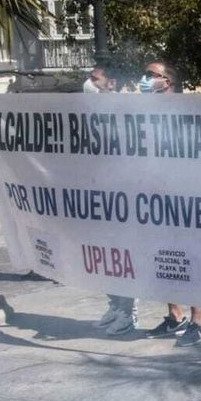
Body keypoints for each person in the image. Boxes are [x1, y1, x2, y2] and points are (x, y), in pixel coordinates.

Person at [138, 62, 201, 346]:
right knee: (161, 258)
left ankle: (198, 321)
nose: (144, 80)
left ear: (166, 81)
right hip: (156, 195)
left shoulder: (186, 109)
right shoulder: (143, 111)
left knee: (192, 259)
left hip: (187, 195)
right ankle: (174, 316)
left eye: (150, 75)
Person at [86, 69, 139, 335]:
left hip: (125, 199)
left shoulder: (126, 114)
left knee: (124, 257)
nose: (92, 85)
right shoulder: (96, 115)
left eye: (98, 81)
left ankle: (128, 312)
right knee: (105, 257)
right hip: (102, 197)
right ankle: (116, 305)